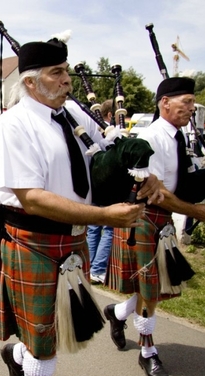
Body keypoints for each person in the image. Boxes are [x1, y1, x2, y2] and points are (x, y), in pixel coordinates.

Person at [0, 33, 160, 376]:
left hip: (73, 238)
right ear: (31, 82)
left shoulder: (73, 113)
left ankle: (17, 358)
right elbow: (31, 198)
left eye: (66, 71)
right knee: (41, 333)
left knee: (52, 326)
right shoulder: (13, 123)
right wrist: (104, 215)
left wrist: (144, 170)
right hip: (32, 239)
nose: (66, 79)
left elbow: (111, 150)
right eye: (56, 72)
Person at [104, 77, 205, 376]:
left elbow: (179, 182)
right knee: (151, 289)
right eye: (187, 102)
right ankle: (148, 350)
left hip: (161, 220)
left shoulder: (176, 136)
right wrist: (195, 212)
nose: (192, 109)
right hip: (147, 216)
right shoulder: (154, 137)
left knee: (153, 287)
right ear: (165, 102)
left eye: (193, 103)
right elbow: (158, 193)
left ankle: (117, 312)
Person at [86, 99, 114, 284]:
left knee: (93, 227)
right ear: (110, 115)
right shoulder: (110, 131)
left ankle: (89, 268)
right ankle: (97, 269)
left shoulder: (91, 126)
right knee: (109, 228)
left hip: (93, 183)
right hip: (107, 183)